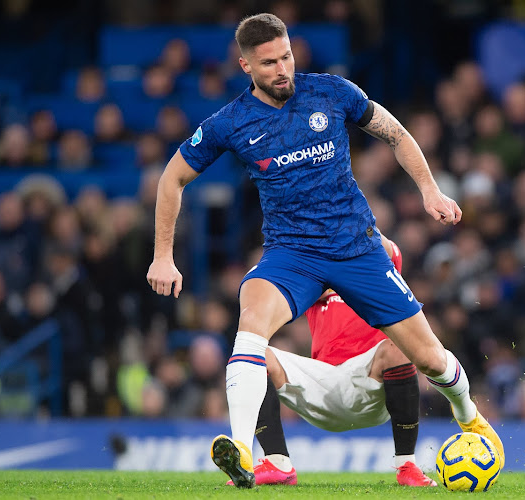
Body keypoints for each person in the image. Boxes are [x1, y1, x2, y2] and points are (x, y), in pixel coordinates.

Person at [146, 13, 504, 488]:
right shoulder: (230, 122)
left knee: (431, 358)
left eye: (287, 57)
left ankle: (471, 417)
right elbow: (172, 177)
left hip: (356, 247)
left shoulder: (331, 92)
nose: (282, 70)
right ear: (246, 65)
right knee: (250, 314)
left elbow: (394, 132)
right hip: (291, 253)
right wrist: (163, 255)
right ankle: (241, 450)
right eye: (269, 62)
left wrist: (430, 191)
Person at [234, 235, 436, 487]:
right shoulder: (310, 273)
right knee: (256, 356)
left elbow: (382, 246)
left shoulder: (380, 263)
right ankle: (277, 462)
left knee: (398, 349)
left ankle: (407, 465)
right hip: (320, 383)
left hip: (368, 382)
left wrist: (355, 223)